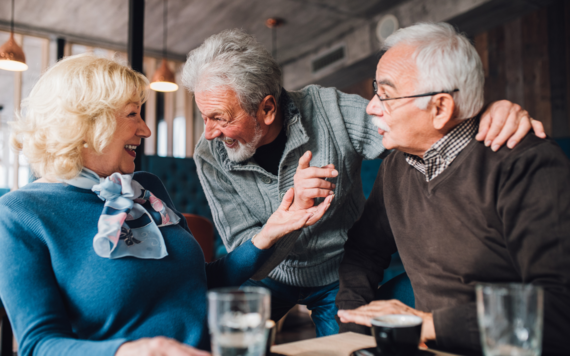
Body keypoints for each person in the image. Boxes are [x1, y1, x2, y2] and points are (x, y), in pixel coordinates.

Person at [182, 29, 545, 337]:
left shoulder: (329, 110)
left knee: (348, 346)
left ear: (267, 109)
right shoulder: (210, 154)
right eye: (203, 116)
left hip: (336, 273)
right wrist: (290, 216)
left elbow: (414, 128)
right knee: (211, 341)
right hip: (263, 277)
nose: (210, 132)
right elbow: (245, 257)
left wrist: (488, 114)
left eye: (219, 117)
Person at [0, 54, 332, 356]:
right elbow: (38, 344)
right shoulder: (19, 215)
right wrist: (131, 351)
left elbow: (194, 283)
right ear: (86, 124)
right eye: (133, 114)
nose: (144, 129)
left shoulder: (146, 187)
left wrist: (272, 229)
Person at [335, 23, 570, 355]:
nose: (371, 107)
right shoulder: (395, 167)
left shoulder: (526, 164)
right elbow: (363, 252)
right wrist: (356, 320)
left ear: (440, 108)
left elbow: (559, 306)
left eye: (385, 95)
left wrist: (424, 325)